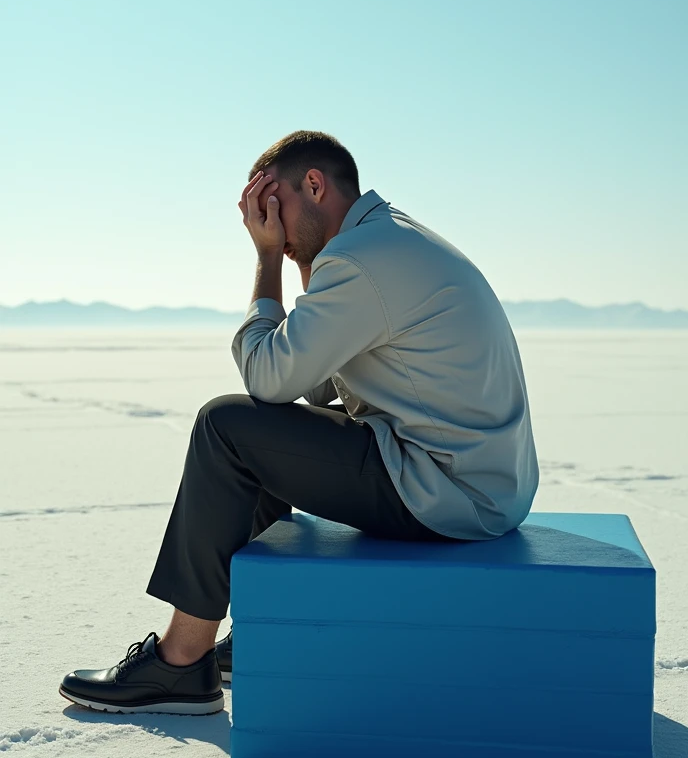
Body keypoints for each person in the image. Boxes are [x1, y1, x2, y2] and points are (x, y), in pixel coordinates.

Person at [59, 130, 539, 714]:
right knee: (265, 437)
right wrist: (304, 258)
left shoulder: (362, 260)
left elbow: (268, 378)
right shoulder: (385, 239)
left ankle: (182, 662)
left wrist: (266, 262)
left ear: (313, 185)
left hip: (446, 490)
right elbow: (311, 384)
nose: (267, 226)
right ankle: (261, 629)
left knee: (226, 427)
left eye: (271, 206)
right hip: (475, 479)